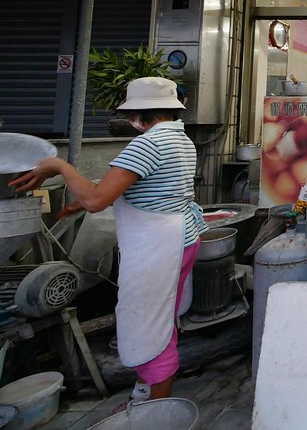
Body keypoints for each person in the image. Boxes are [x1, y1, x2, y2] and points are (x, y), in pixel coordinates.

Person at [13, 77, 205, 408]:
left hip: (159, 249)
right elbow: (137, 184)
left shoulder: (148, 144)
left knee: (150, 328)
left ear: (139, 115)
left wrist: (60, 166)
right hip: (182, 240)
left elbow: (96, 200)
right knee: (158, 320)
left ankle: (156, 414)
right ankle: (143, 394)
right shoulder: (180, 138)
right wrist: (77, 198)